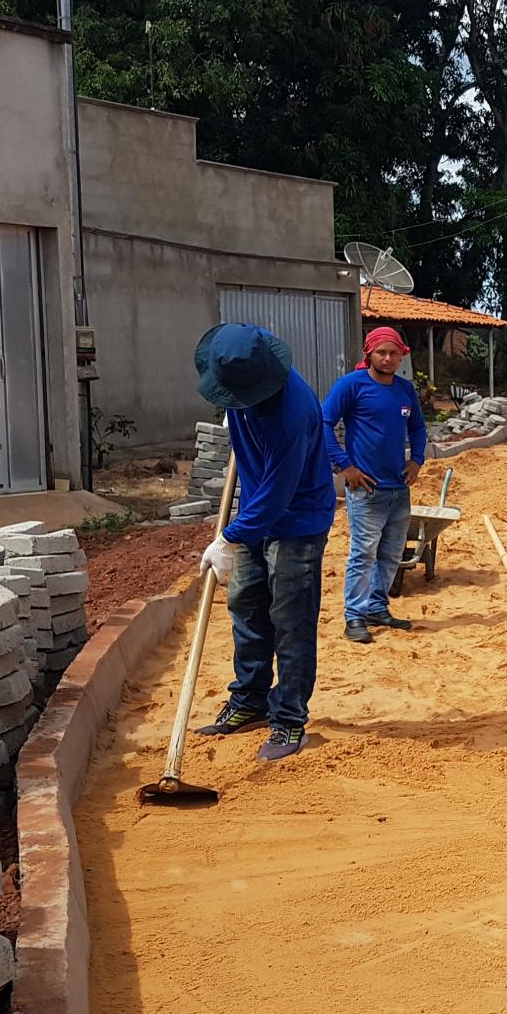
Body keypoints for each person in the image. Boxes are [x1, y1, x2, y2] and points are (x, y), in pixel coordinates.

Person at [192, 323, 337, 761]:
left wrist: (230, 537)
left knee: (290, 620)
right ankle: (250, 700)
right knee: (247, 604)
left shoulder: (292, 413)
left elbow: (278, 494)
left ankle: (289, 719)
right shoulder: (239, 386)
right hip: (256, 514)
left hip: (296, 521)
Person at [321, 326, 428, 644]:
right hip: (365, 488)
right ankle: (354, 616)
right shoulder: (352, 386)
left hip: (398, 488)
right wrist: (344, 466)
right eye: (382, 352)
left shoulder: (405, 391)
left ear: (402, 356)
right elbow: (324, 423)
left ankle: (377, 608)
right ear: (368, 354)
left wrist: (417, 460)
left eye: (394, 353)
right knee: (363, 554)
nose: (388, 358)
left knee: (391, 554)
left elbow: (418, 428)